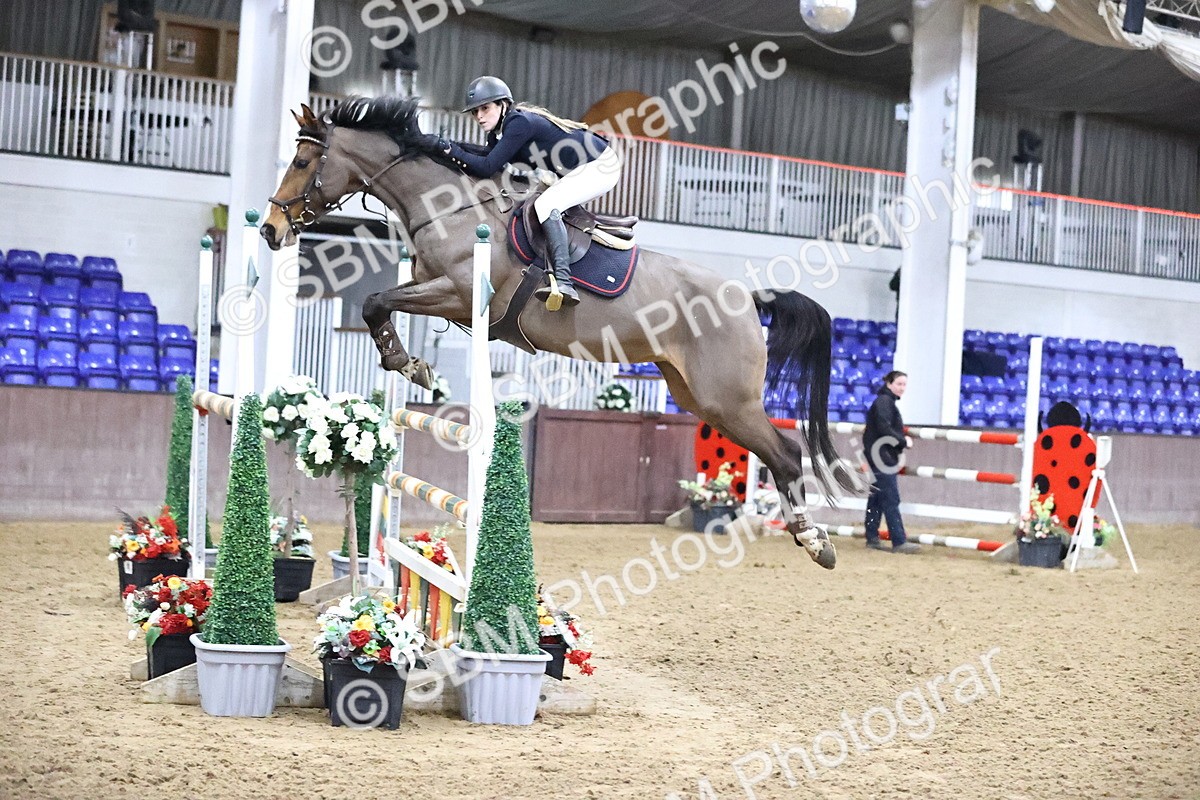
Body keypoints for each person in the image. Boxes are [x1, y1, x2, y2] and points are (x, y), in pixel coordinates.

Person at [414, 76, 621, 310]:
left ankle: (564, 281)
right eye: (475, 112)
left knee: (545, 205)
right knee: (545, 203)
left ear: (503, 105)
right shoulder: (500, 131)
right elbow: (487, 156)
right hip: (581, 166)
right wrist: (448, 146)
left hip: (600, 165)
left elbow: (486, 167)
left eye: (485, 108)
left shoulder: (518, 123)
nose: (479, 116)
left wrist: (448, 149)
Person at [862, 370, 920, 553]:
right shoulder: (885, 403)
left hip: (877, 454)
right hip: (882, 456)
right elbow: (884, 428)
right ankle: (898, 540)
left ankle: (872, 536)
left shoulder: (883, 402)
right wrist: (903, 441)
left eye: (904, 385)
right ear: (889, 384)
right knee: (890, 498)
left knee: (877, 498)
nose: (902, 388)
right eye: (899, 384)